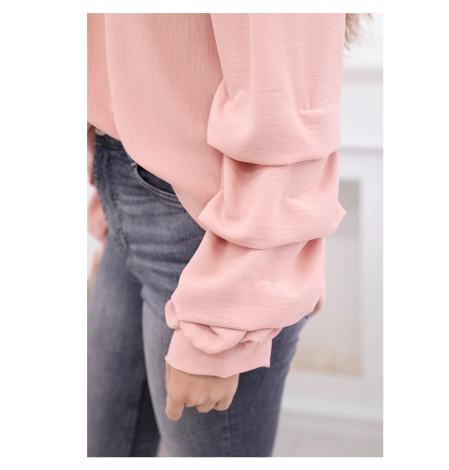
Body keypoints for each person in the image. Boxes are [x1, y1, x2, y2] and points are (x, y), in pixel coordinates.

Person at [87, 12, 370, 457]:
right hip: (129, 193)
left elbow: (287, 114)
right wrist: (115, 223)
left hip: (213, 238)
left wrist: (221, 331)